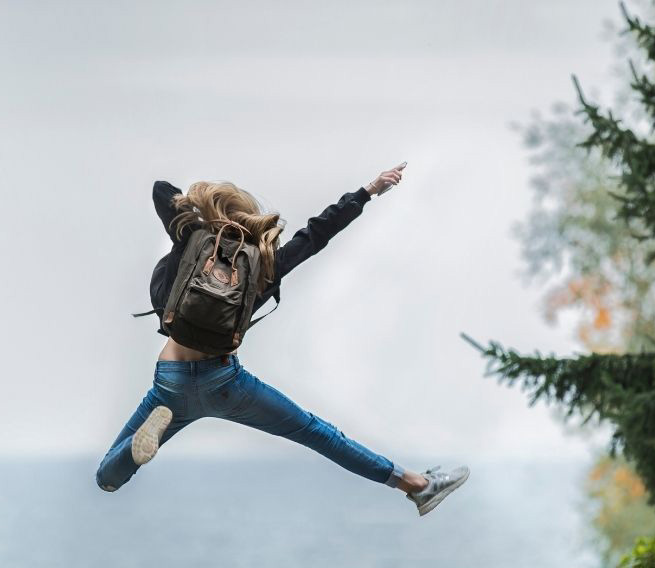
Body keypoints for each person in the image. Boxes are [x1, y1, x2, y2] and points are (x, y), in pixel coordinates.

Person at [94, 162, 469, 516]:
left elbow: (163, 190)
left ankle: (138, 449)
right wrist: (368, 191)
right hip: (225, 382)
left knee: (107, 478)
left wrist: (202, 212)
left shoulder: (191, 239)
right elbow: (317, 234)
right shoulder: (264, 263)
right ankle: (417, 486)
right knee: (318, 434)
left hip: (171, 382)